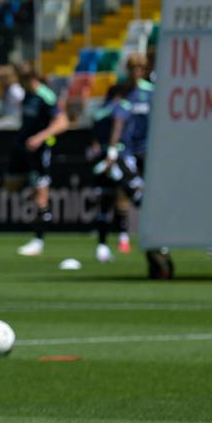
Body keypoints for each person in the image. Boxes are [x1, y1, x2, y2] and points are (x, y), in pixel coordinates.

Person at [107, 54, 160, 272]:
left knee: (150, 193)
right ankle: (124, 236)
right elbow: (117, 122)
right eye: (133, 68)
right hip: (127, 150)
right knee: (126, 191)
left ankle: (156, 236)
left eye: (140, 68)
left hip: (148, 150)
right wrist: (111, 148)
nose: (136, 72)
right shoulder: (123, 92)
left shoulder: (152, 92)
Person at [11, 61, 68, 257]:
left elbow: (62, 122)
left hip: (40, 151)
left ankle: (38, 241)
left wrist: (39, 138)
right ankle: (37, 208)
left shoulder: (46, 95)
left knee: (41, 197)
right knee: (10, 185)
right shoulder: (27, 95)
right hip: (23, 149)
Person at [88, 83, 139, 263]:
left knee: (105, 201)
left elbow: (93, 136)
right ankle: (127, 239)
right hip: (118, 156)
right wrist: (112, 152)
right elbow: (118, 125)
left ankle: (102, 246)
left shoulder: (100, 110)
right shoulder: (121, 106)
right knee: (134, 195)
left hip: (102, 158)